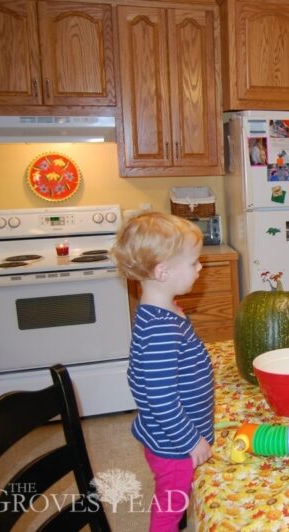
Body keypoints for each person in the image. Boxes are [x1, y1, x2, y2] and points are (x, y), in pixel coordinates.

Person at [111, 212, 215, 531]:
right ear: (163, 271)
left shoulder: (162, 312)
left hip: (175, 437)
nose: (200, 268)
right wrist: (191, 441)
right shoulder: (160, 331)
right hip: (175, 448)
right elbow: (161, 399)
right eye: (194, 262)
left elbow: (140, 377)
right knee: (169, 508)